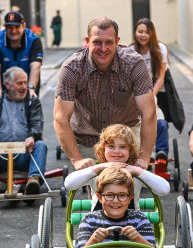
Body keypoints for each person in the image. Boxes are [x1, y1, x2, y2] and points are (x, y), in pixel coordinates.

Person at [53, 16, 156, 171]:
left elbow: (149, 113)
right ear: (87, 41)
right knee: (98, 191)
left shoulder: (134, 64)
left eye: (108, 42)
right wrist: (77, 160)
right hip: (87, 137)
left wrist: (144, 158)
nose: (103, 48)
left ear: (117, 41)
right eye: (97, 42)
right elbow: (61, 118)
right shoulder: (71, 68)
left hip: (126, 136)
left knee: (128, 188)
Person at [0, 67, 47, 197]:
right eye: (20, 83)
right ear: (7, 85)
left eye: (26, 83)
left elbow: (37, 123)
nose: (24, 87)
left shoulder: (32, 101)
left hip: (25, 155)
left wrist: (32, 137)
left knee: (41, 145)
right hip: (0, 156)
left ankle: (33, 181)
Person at [64, 124, 170, 210]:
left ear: (130, 150)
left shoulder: (134, 172)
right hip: (99, 225)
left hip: (131, 226)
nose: (116, 151)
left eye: (123, 147)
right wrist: (98, 168)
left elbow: (164, 189)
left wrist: (137, 171)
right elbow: (69, 184)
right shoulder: (97, 172)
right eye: (111, 146)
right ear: (103, 149)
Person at [129, 18, 169, 160]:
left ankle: (161, 154)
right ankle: (137, 152)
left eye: (147, 32)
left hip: (154, 91)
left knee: (160, 122)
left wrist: (152, 96)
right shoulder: (131, 50)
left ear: (152, 34)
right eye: (140, 32)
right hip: (135, 93)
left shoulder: (160, 49)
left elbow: (161, 76)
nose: (143, 35)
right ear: (135, 33)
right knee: (137, 123)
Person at [0, 11, 43, 100]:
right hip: (6, 90)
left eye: (17, 27)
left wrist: (31, 88)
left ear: (23, 26)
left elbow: (36, 66)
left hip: (26, 88)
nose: (13, 31)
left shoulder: (33, 41)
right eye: (9, 27)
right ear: (5, 27)